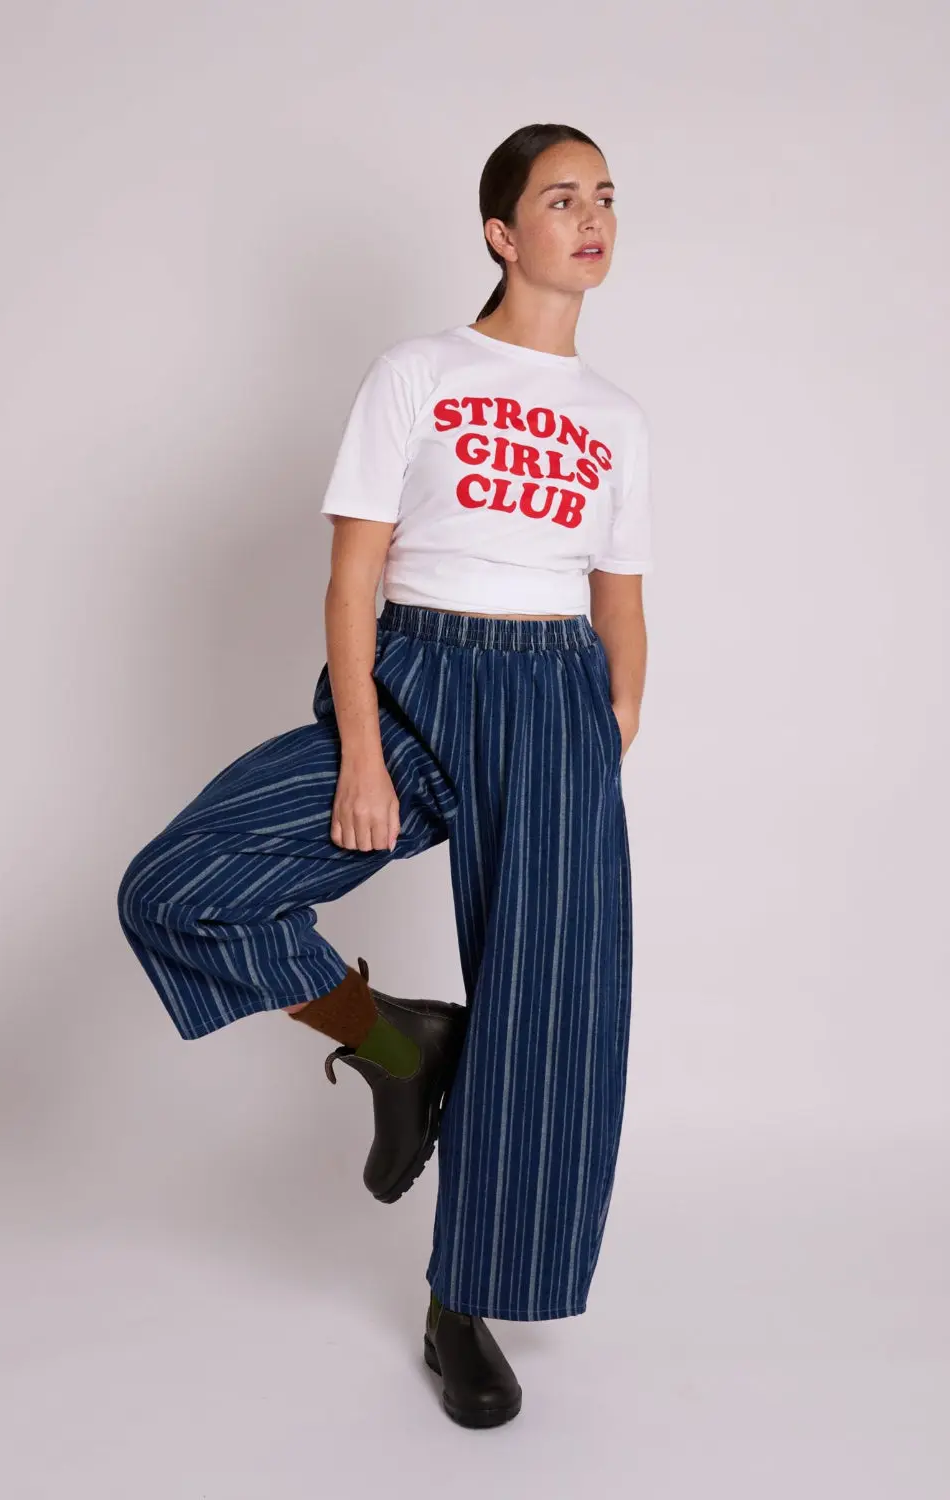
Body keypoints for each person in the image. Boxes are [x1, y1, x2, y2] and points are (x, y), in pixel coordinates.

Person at [116, 120, 653, 1431]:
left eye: (604, 196)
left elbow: (620, 596)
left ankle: (460, 1308)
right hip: (416, 681)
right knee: (180, 883)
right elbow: (353, 575)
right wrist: (362, 747)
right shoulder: (420, 372)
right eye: (561, 198)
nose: (592, 217)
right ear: (500, 233)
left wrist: (611, 724)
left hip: (555, 699)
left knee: (548, 1015)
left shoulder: (616, 417)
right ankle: (396, 1043)